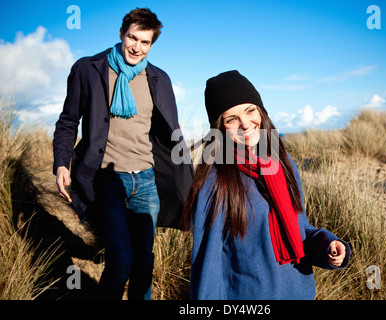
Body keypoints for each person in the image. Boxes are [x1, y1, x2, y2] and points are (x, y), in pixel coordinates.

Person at [53, 8, 193, 300]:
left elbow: (170, 132)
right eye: (132, 37)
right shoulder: (88, 69)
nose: (136, 47)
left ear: (152, 45)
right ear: (121, 33)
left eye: (145, 42)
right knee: (120, 261)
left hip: (146, 180)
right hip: (107, 178)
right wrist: (61, 165)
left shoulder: (159, 79)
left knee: (144, 261)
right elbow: (68, 121)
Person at [181, 70, 350, 300]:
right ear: (220, 127)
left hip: (299, 292)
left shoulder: (283, 163)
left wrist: (329, 245)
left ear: (261, 111)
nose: (245, 124)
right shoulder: (215, 180)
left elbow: (302, 229)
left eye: (250, 110)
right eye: (232, 119)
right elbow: (207, 264)